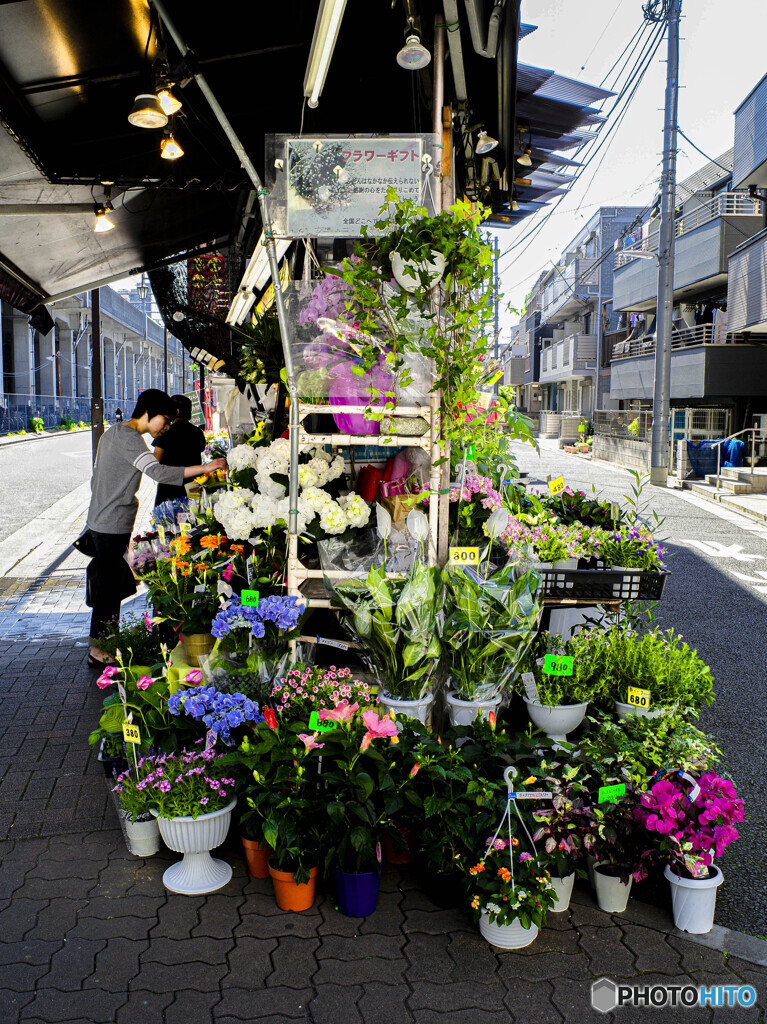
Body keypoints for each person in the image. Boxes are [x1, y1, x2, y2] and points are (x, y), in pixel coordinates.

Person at [86, 388, 226, 668]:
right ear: (150, 413)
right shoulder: (130, 440)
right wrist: (206, 467)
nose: (165, 428)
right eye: (165, 420)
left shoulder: (113, 432)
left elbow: (96, 477)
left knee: (109, 583)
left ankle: (105, 643)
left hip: (102, 519)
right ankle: (99, 650)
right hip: (112, 522)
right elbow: (159, 473)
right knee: (109, 589)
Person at [152, 394, 207, 506]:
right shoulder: (197, 432)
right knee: (194, 517)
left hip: (168, 485)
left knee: (167, 519)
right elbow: (201, 448)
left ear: (175, 411)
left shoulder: (165, 432)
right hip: (193, 484)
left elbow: (155, 460)